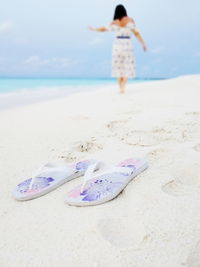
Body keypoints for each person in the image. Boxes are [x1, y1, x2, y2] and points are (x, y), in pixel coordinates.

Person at [89, 4, 147, 94]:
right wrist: (143, 43)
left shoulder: (114, 22)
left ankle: (120, 88)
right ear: (125, 11)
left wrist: (94, 29)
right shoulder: (130, 20)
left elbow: (103, 29)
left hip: (117, 45)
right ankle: (123, 86)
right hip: (127, 44)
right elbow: (136, 33)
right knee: (127, 66)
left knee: (117, 67)